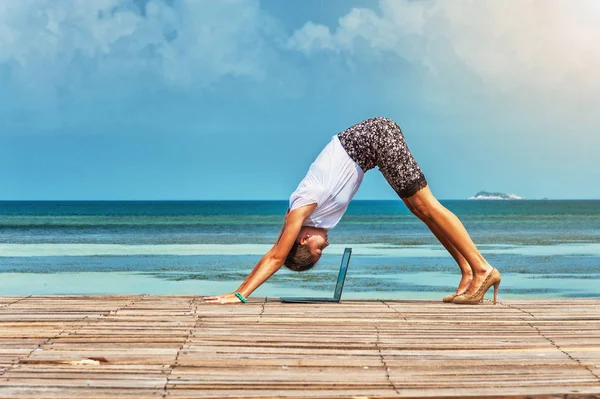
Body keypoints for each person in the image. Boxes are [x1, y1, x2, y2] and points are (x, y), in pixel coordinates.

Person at [203, 117, 501, 305]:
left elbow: (277, 255)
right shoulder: (310, 218)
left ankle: (483, 268)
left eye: (319, 249)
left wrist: (240, 294)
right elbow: (277, 249)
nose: (327, 245)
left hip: (376, 136)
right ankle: (467, 271)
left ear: (303, 239)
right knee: (420, 210)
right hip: (374, 143)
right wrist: (240, 288)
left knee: (426, 205)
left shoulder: (302, 207)